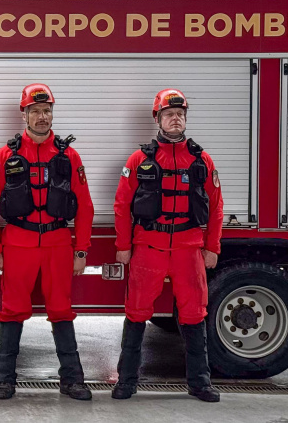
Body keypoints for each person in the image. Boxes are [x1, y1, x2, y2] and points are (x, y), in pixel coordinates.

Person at [0, 83, 94, 401]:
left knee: (61, 309)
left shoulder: (68, 155)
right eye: (35, 111)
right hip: (18, 243)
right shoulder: (6, 156)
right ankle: (4, 379)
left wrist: (81, 249)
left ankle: (73, 380)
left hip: (58, 243)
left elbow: (84, 207)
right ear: (24, 115)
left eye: (46, 111)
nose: (42, 117)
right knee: (12, 310)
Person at [111, 88, 223, 403]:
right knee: (136, 312)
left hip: (189, 249)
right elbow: (122, 204)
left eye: (180, 114)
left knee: (194, 314)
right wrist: (124, 244)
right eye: (169, 114)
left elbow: (215, 205)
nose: (176, 119)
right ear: (158, 119)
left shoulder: (202, 159)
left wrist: (212, 246)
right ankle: (126, 382)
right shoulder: (138, 159)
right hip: (149, 248)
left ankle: (200, 384)